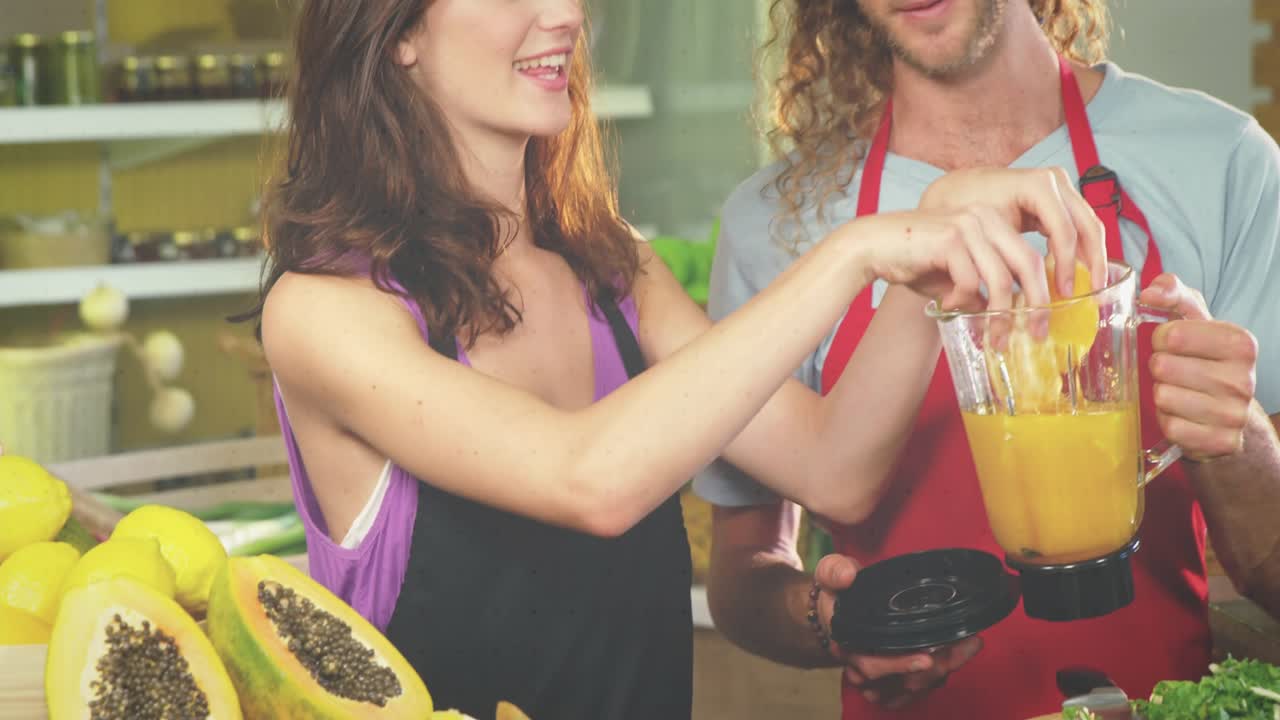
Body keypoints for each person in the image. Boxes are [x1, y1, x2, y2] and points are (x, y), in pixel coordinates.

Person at [236, 1, 1108, 718]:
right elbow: (593, 479)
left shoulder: (614, 270)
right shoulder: (326, 313)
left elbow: (832, 468)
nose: (563, 16)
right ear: (397, 35)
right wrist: (855, 251)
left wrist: (935, 266)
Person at [695, 0, 1280, 718]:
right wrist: (830, 623)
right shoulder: (773, 225)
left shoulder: (1220, 161)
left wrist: (1241, 436)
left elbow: (1271, 568)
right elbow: (744, 571)